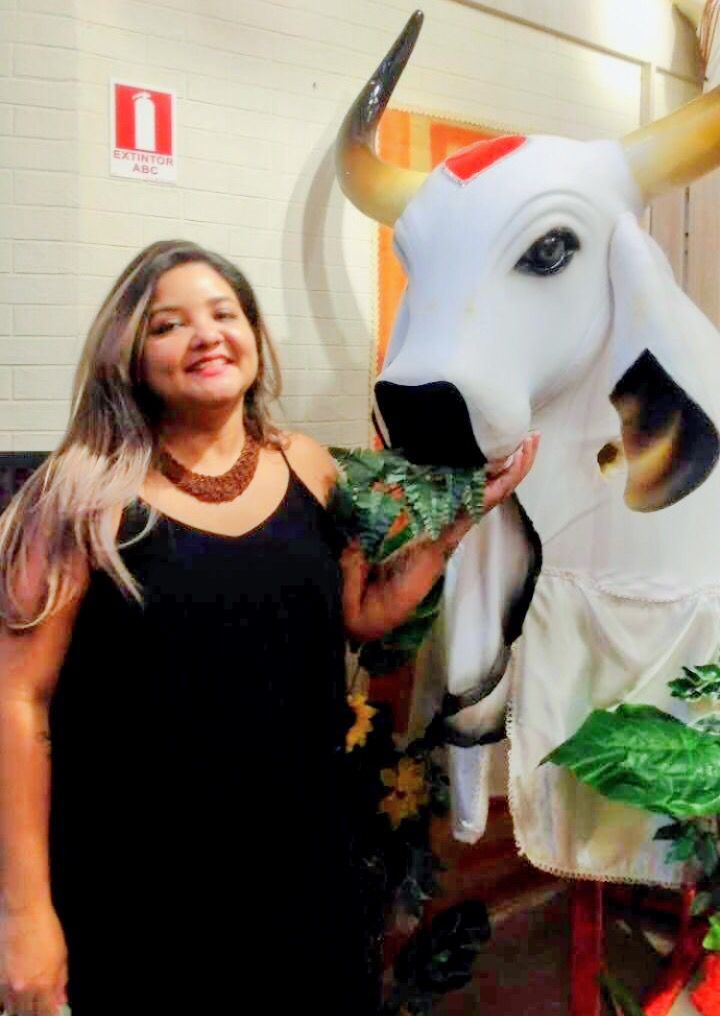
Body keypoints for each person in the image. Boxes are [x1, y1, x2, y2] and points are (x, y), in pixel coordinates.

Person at [0, 240, 538, 1016]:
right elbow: (16, 700)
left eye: (224, 314)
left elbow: (357, 618)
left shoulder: (308, 466)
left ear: (253, 334)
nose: (206, 335)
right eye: (168, 325)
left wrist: (451, 529)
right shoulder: (79, 496)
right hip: (138, 887)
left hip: (302, 866)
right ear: (129, 355)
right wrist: (24, 915)